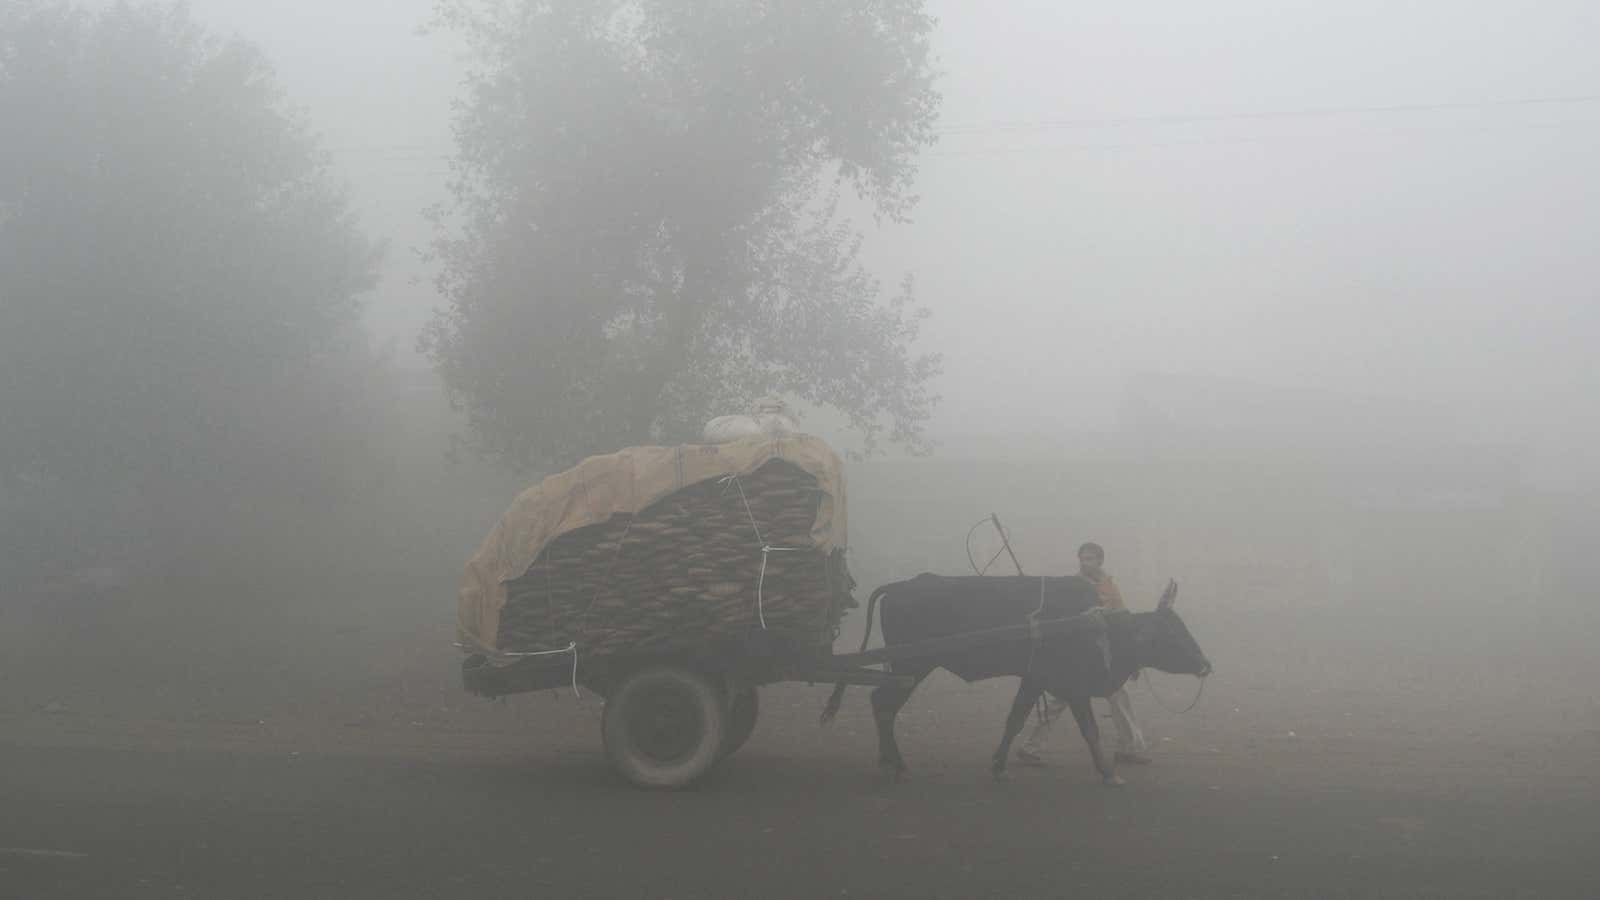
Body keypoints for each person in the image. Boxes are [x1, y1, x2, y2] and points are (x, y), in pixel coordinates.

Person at [1015, 541, 1152, 766]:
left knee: (1118, 697)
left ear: (1100, 561)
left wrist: (1131, 658)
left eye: (1090, 558)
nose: (1085, 562)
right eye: (1082, 558)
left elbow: (1122, 616)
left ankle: (1129, 747)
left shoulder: (1109, 584)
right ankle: (1030, 747)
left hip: (1106, 654)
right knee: (1062, 698)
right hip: (1079, 655)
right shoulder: (1073, 586)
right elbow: (1066, 617)